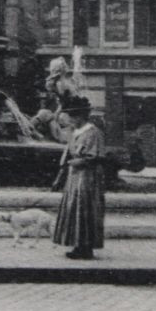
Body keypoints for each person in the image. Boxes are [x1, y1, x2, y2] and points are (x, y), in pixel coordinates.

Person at [52, 99, 106, 260]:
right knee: (74, 208)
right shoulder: (73, 132)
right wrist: (60, 176)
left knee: (85, 208)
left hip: (88, 177)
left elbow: (95, 156)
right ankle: (77, 245)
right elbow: (68, 153)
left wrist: (77, 162)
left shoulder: (93, 133)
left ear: (79, 117)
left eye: (70, 117)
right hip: (75, 176)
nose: (68, 120)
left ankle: (86, 247)